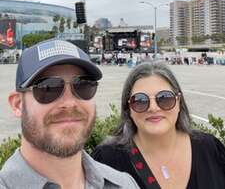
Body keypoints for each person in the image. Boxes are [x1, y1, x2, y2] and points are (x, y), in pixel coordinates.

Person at [0, 39, 139, 189]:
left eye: (83, 85)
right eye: (48, 87)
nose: (69, 103)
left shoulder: (124, 184)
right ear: (18, 104)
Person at [93, 62, 225, 189]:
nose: (153, 108)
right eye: (140, 100)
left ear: (179, 102)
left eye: (164, 98)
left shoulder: (210, 148)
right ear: (129, 108)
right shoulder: (106, 160)